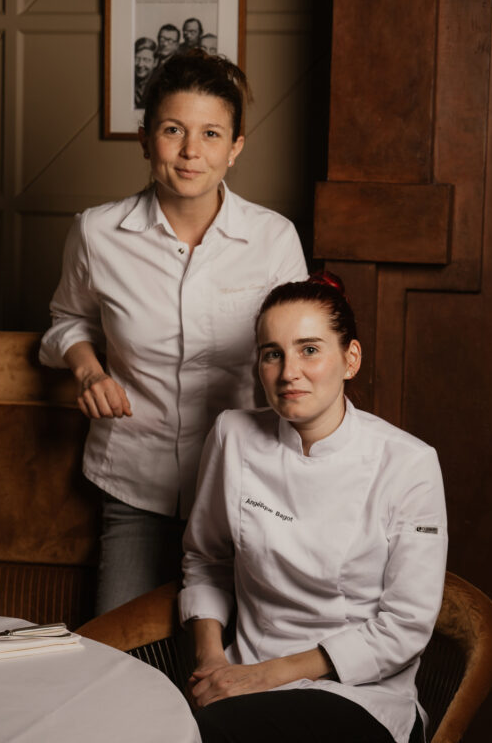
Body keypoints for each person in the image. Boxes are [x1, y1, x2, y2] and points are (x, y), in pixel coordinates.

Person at [39, 52, 307, 614]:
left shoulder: (274, 239)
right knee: (120, 652)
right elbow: (68, 320)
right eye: (172, 130)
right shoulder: (96, 233)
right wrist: (88, 368)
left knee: (236, 659)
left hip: (248, 482)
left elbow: (301, 354)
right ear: (145, 139)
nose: (191, 152)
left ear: (235, 147)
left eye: (211, 134)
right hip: (132, 479)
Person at [179, 273, 448, 743]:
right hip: (239, 677)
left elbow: (404, 627)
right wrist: (211, 661)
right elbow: (207, 560)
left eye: (309, 349)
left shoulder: (409, 463)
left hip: (357, 693)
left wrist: (266, 676)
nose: (288, 373)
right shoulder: (232, 434)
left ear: (350, 359)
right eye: (272, 354)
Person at [134, 37, 157, 109]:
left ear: (155, 62)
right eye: (136, 59)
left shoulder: (159, 84)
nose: (140, 64)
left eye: (146, 60)